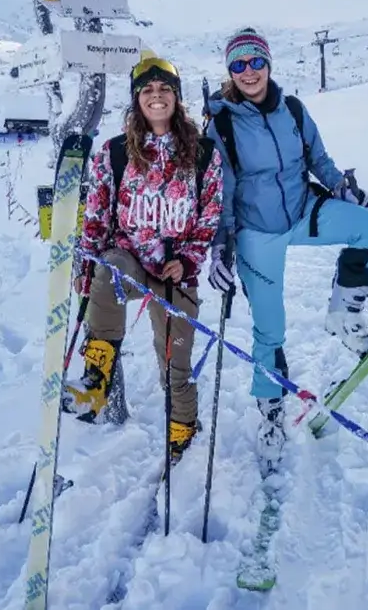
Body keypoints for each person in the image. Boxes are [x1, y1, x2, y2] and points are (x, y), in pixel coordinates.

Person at [203, 27, 368, 467]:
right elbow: (221, 191)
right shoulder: (223, 124)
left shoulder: (294, 110)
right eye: (239, 65)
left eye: (255, 61)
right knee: (271, 330)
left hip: (303, 209)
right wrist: (221, 244)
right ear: (230, 71)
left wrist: (342, 187)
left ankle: (344, 314)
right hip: (255, 231)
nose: (249, 72)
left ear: (268, 63)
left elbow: (318, 160)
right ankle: (270, 413)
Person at [67, 53, 224, 463]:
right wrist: (87, 266)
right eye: (147, 90)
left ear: (177, 97)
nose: (156, 97)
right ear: (137, 99)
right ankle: (96, 380)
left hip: (175, 270)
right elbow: (98, 216)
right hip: (131, 262)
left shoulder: (204, 153)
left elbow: (209, 216)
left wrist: (189, 260)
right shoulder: (115, 152)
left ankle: (183, 427)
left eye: (164, 89)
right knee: (110, 266)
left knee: (175, 360)